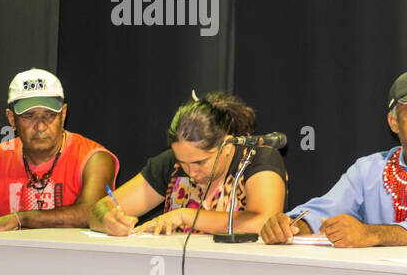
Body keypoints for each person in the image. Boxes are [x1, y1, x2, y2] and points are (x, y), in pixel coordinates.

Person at [260, 70, 407, 248]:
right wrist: (291, 226)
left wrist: (371, 234)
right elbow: (325, 209)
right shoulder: (369, 170)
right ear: (394, 122)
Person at [89, 92, 287, 236]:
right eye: (183, 162)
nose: (191, 171)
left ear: (226, 146)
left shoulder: (257, 158)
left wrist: (186, 216)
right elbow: (99, 209)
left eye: (200, 162)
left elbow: (264, 221)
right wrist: (107, 219)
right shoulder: (171, 164)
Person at [0, 69, 118, 232]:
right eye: (29, 116)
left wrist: (20, 218)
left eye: (50, 115)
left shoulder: (94, 158)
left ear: (63, 115)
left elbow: (91, 213)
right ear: (12, 119)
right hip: (13, 256)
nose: (40, 126)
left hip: (73, 256)